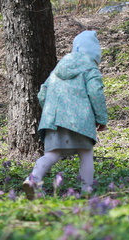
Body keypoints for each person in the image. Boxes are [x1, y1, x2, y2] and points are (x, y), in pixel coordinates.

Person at [23, 30, 108, 199]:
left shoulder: (58, 68)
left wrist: (49, 112)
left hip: (53, 120)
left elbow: (42, 93)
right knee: (86, 154)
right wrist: (101, 118)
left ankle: (32, 179)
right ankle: (86, 192)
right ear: (95, 53)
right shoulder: (90, 68)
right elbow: (96, 92)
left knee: (51, 155)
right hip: (81, 121)